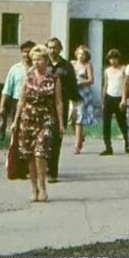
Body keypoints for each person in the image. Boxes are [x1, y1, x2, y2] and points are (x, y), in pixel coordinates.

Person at [13, 44, 64, 202]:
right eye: (34, 59)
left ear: (46, 60)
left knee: (40, 153)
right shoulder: (27, 78)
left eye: (40, 59)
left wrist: (61, 123)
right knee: (29, 155)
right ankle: (33, 188)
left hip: (46, 118)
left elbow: (58, 102)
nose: (36, 62)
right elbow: (21, 101)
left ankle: (43, 187)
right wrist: (15, 120)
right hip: (28, 119)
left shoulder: (54, 78)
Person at [45, 37, 75, 182]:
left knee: (56, 138)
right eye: (50, 47)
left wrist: (74, 108)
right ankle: (42, 168)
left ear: (60, 49)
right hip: (44, 105)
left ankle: (52, 172)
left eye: (55, 47)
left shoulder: (67, 66)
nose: (52, 50)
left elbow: (73, 87)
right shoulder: (43, 65)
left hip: (61, 104)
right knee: (44, 138)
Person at [0, 41, 35, 136]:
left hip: (33, 102)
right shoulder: (15, 69)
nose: (26, 54)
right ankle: (13, 148)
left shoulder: (37, 69)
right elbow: (7, 89)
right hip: (17, 102)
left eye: (29, 52)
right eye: (24, 51)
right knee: (16, 128)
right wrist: (2, 106)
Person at [100, 49, 128, 156]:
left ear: (118, 59)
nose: (113, 61)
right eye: (111, 59)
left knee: (122, 122)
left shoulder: (123, 69)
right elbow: (105, 85)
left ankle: (128, 143)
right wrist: (103, 100)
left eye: (115, 58)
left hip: (119, 97)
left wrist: (124, 99)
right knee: (106, 123)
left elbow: (125, 84)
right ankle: (108, 147)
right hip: (109, 97)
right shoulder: (107, 70)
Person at [70, 46, 97, 154]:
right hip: (72, 93)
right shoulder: (72, 64)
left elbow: (91, 80)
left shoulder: (87, 65)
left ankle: (77, 146)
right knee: (71, 118)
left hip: (83, 93)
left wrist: (81, 82)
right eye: (80, 53)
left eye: (84, 54)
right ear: (76, 54)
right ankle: (81, 136)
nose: (81, 56)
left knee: (79, 118)